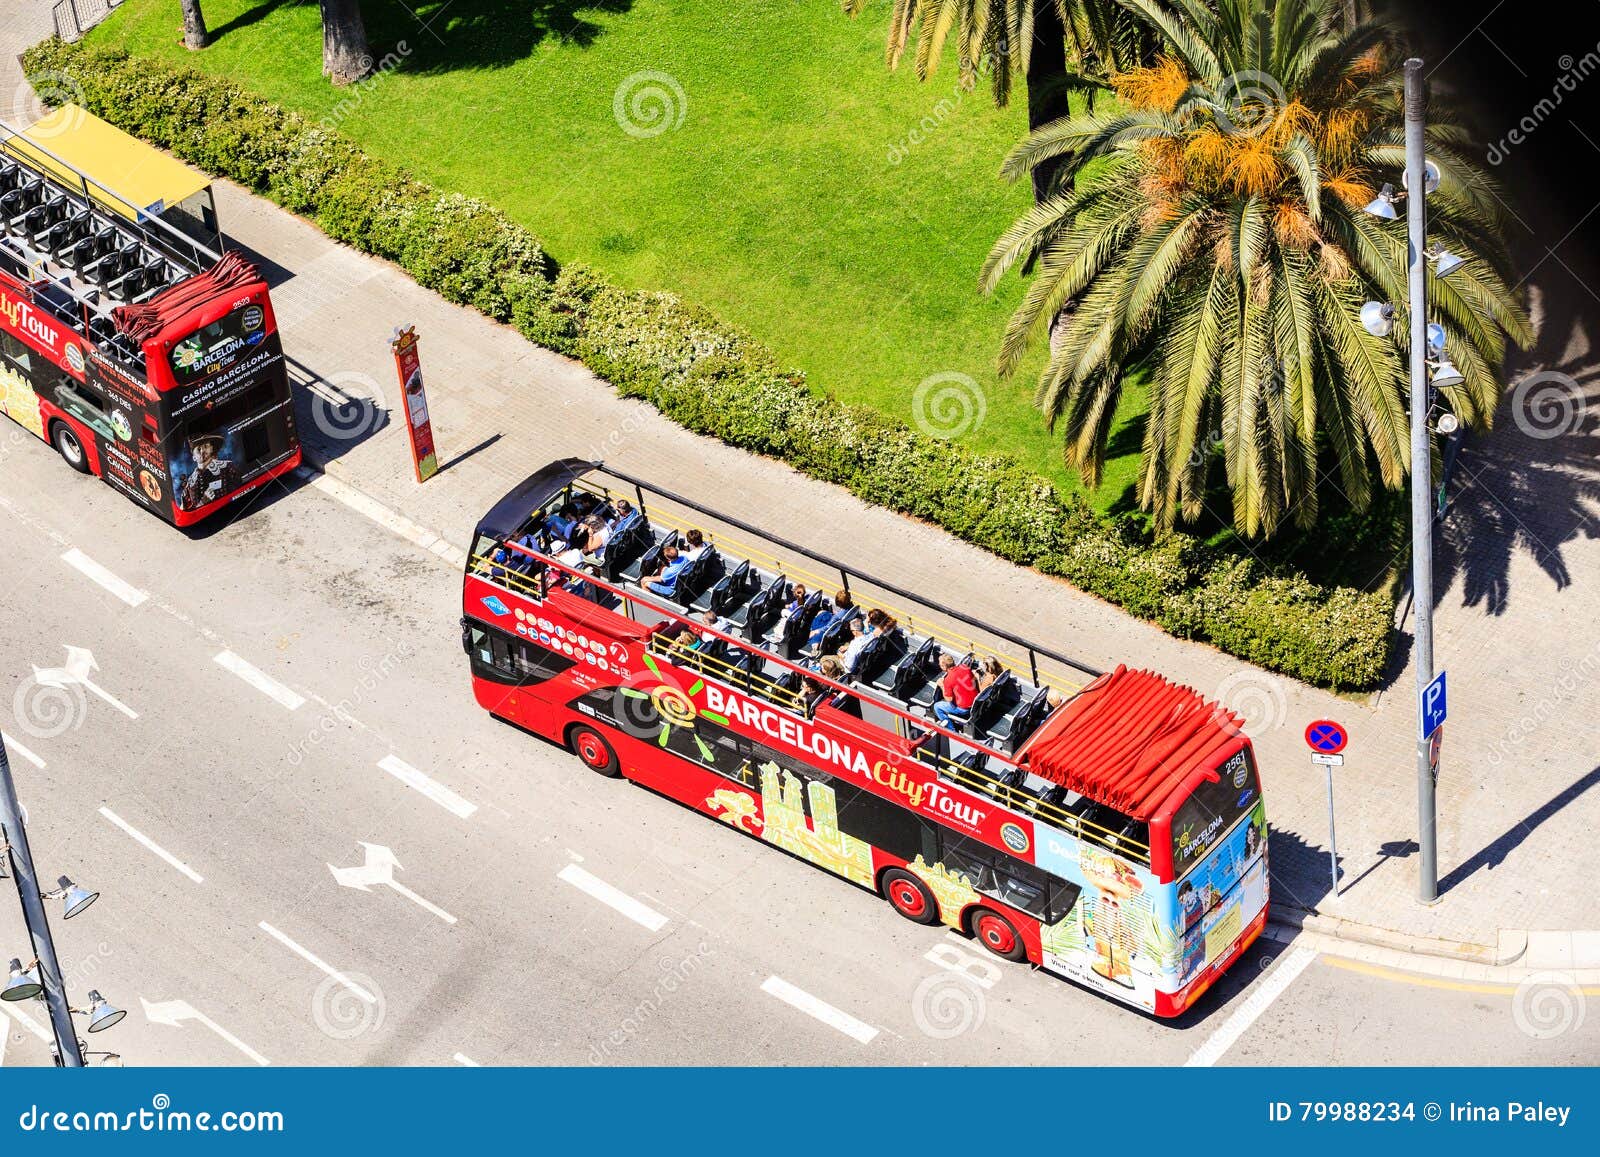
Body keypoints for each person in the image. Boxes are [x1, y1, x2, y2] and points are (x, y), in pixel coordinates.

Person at [177, 434, 242, 511]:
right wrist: (203, 502)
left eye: (206, 446)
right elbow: (187, 509)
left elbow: (240, 490)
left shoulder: (227, 466)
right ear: (194, 457)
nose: (202, 451)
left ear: (212, 449)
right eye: (198, 449)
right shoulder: (190, 482)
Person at [932, 652, 978, 728]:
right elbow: (973, 680)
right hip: (976, 703)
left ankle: (951, 729)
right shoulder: (965, 667)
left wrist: (942, 685)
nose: (939, 665)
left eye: (940, 664)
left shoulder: (948, 680)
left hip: (964, 709)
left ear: (944, 666)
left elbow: (949, 699)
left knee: (937, 706)